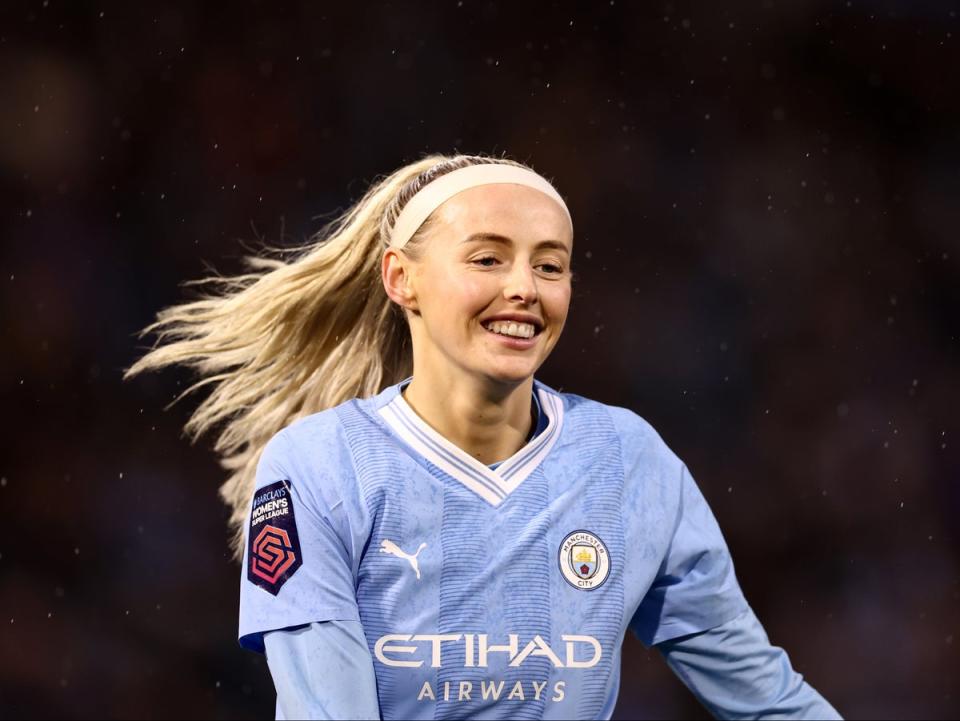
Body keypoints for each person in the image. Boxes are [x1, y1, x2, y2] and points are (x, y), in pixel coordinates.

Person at [125, 153, 843, 720]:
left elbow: (767, 701)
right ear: (401, 278)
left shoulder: (629, 461)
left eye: (550, 264)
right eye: (488, 258)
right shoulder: (317, 466)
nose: (526, 287)